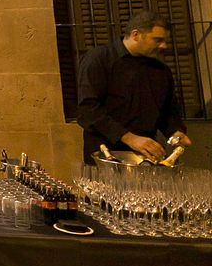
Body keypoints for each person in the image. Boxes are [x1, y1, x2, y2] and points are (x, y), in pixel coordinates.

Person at [76, 11, 192, 164]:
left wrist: (175, 132)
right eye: (157, 40)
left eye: (165, 41)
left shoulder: (161, 70)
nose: (164, 46)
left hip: (146, 156)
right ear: (135, 35)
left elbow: (168, 112)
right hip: (105, 155)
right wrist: (130, 138)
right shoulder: (99, 59)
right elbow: (88, 110)